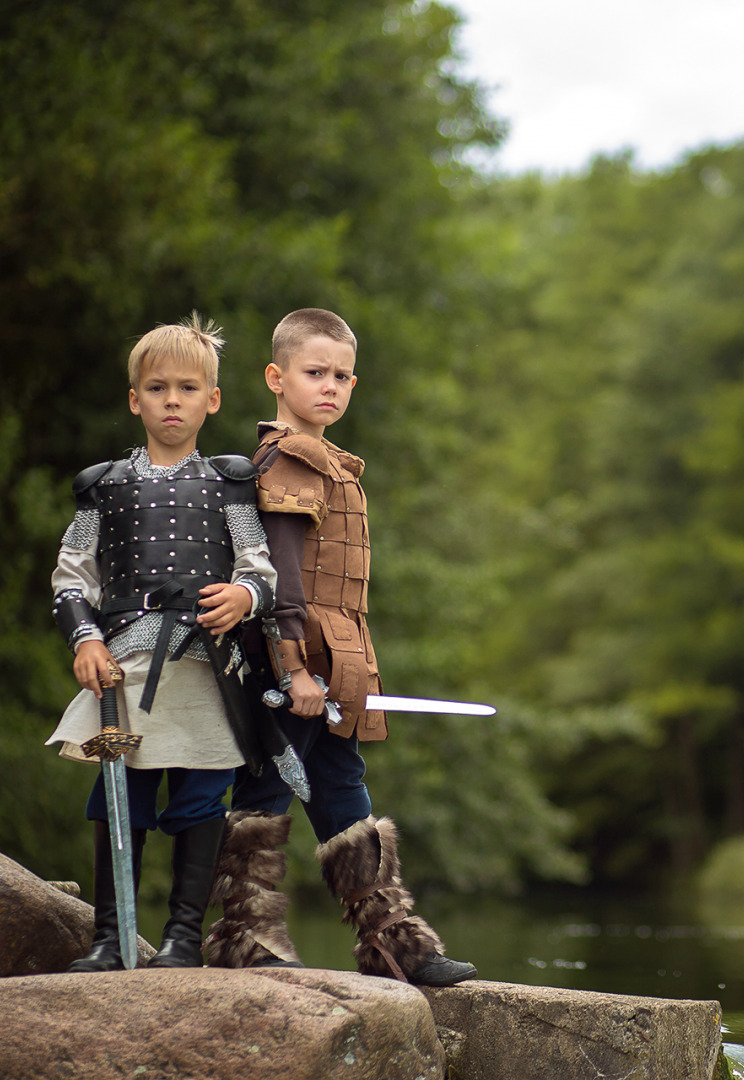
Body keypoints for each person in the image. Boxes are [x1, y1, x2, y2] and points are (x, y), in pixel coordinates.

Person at [203, 307, 476, 987]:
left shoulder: (329, 463)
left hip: (338, 663)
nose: (330, 386)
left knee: (342, 789)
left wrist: (332, 670)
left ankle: (394, 945)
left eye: (342, 376)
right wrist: (293, 669)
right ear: (276, 377)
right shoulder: (290, 460)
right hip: (290, 661)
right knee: (265, 790)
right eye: (314, 372)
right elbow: (285, 580)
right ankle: (245, 937)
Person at [47, 314, 276, 971]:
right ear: (134, 399)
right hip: (122, 664)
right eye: (157, 388)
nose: (171, 400)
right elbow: (71, 578)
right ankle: (109, 940)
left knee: (202, 798)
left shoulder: (231, 485)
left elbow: (260, 571)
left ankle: (180, 940)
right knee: (120, 797)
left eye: (186, 387)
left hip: (207, 666)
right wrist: (85, 640)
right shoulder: (104, 487)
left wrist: (244, 597)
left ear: (213, 398)